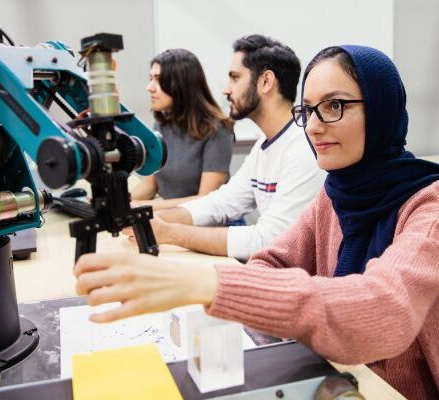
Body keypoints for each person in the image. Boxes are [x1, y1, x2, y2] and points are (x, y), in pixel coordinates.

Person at [75, 45, 439, 399]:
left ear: (382, 111)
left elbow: (381, 309)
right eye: (308, 110)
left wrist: (207, 282)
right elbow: (272, 260)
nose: (312, 127)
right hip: (344, 378)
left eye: (334, 106)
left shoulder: (429, 210)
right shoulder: (335, 193)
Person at [127, 35, 325, 260]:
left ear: (266, 82)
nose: (226, 90)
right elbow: (221, 202)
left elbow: (270, 240)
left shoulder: (303, 148)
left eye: (235, 78)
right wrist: (146, 218)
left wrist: (170, 232)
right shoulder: (264, 145)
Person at [130, 49, 234, 210]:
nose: (149, 87)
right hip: (174, 218)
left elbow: (205, 201)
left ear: (181, 84)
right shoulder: (161, 124)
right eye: (150, 79)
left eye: (158, 80)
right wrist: (121, 204)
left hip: (213, 226)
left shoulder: (218, 130)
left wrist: (144, 206)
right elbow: (150, 185)